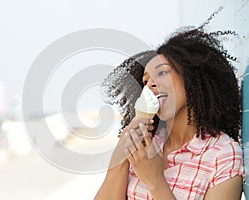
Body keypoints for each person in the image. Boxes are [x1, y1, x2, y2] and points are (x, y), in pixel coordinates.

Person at [95, 17, 243, 200]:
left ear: (193, 77)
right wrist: (119, 159)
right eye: (145, 81)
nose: (150, 84)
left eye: (162, 72)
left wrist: (155, 181)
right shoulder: (144, 144)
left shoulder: (223, 153)